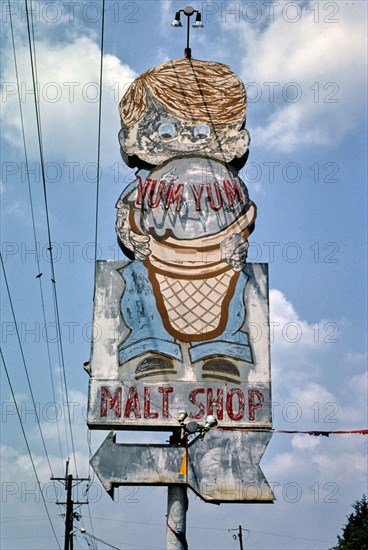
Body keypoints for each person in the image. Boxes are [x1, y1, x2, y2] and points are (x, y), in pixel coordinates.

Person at [115, 58, 257, 383]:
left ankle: (224, 351)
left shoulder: (227, 183)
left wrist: (235, 244)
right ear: (137, 136)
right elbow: (127, 213)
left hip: (217, 260)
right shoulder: (146, 184)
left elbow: (239, 221)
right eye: (165, 128)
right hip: (155, 257)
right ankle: (150, 348)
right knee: (136, 281)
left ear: (232, 134)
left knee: (241, 283)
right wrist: (131, 236)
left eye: (203, 129)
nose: (186, 139)